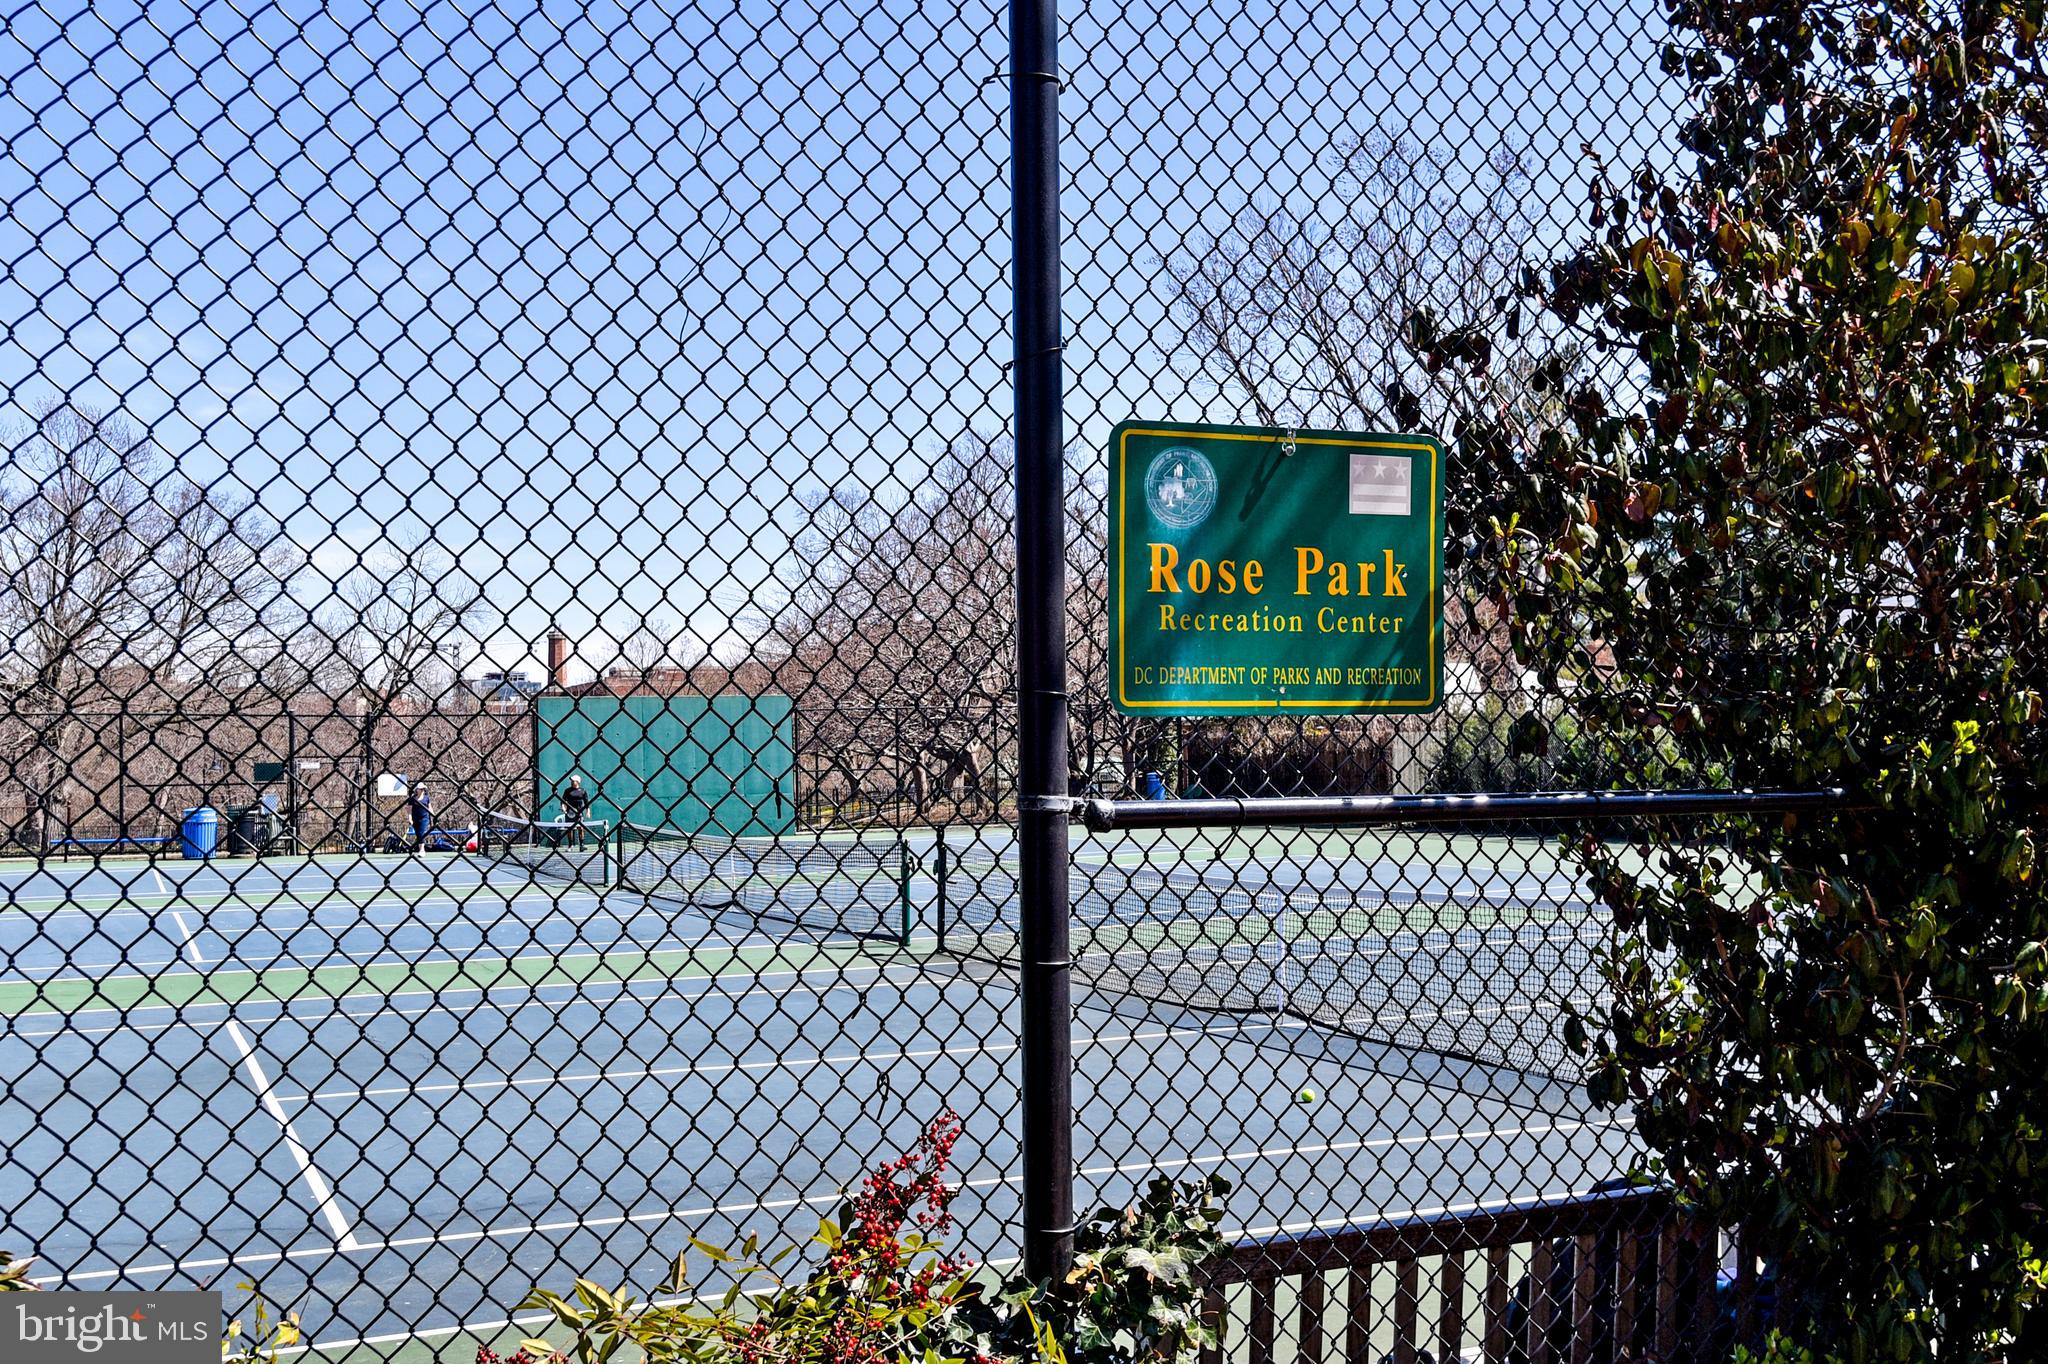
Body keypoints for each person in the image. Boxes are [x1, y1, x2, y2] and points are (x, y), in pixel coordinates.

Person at [561, 774, 591, 848]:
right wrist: (563, 808)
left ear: (578, 782)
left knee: (581, 828)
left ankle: (581, 845)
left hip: (579, 813)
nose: (571, 782)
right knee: (569, 829)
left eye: (573, 781)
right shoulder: (567, 791)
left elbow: (586, 802)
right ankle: (570, 845)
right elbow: (563, 801)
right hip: (570, 813)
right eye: (571, 781)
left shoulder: (583, 791)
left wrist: (588, 811)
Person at [407, 782, 432, 853]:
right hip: (415, 818)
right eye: (420, 789)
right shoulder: (412, 799)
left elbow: (430, 808)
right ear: (417, 790)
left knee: (421, 832)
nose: (422, 790)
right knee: (418, 834)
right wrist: (410, 818)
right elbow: (409, 810)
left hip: (424, 818)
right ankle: (420, 848)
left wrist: (433, 816)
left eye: (423, 789)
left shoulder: (426, 798)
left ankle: (422, 849)